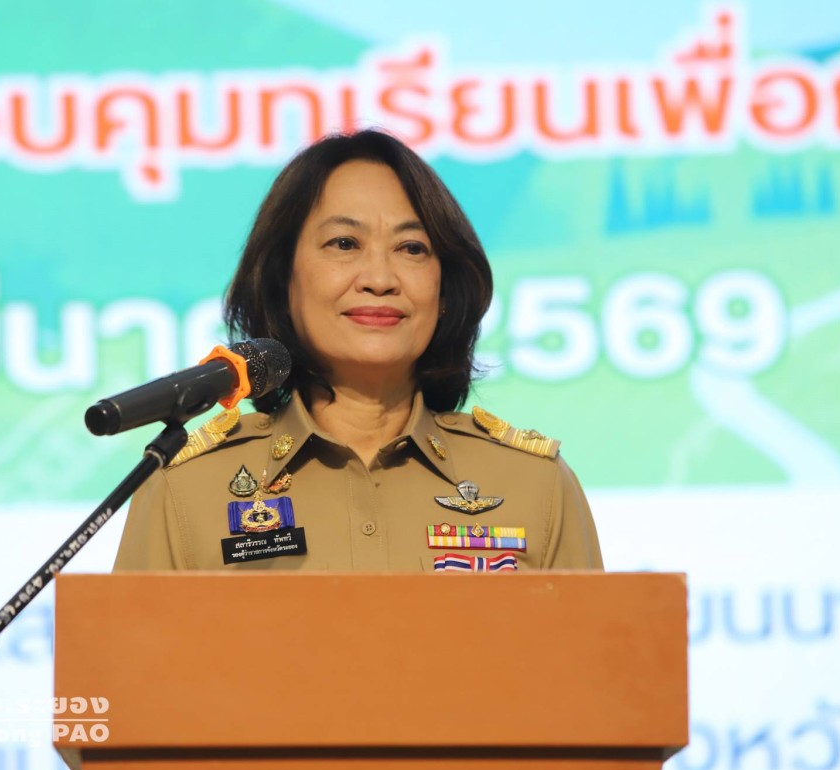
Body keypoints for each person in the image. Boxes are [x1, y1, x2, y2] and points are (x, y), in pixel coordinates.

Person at [113, 129, 602, 572]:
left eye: (412, 248)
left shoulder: (535, 486)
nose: (380, 279)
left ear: (444, 288)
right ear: (283, 279)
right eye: (344, 243)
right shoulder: (184, 488)